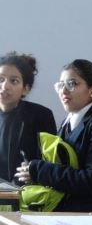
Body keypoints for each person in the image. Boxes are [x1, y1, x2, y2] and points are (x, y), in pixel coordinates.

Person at [15, 59, 92, 213]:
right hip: (67, 208)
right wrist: (32, 172)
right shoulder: (67, 122)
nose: (63, 91)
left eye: (72, 84)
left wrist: (40, 170)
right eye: (60, 85)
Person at [0, 52, 56, 184]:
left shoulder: (41, 115)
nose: (5, 86)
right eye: (1, 79)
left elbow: (50, 162)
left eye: (14, 81)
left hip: (26, 195)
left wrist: (34, 172)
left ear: (25, 89)